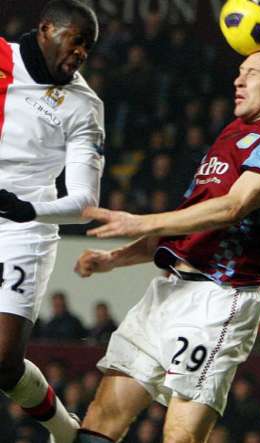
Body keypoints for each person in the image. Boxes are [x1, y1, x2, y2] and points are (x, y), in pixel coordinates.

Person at [75, 49, 260, 443]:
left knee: (180, 435)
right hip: (168, 290)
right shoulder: (230, 134)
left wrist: (141, 220)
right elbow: (190, 219)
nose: (237, 81)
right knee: (103, 414)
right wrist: (114, 260)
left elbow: (233, 207)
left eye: (250, 74)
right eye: (238, 73)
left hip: (219, 298)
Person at [0, 1, 104, 442]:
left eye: (88, 48)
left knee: (3, 360)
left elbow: (84, 201)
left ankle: (65, 432)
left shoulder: (84, 107)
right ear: (46, 29)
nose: (81, 53)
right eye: (76, 40)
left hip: (25, 226)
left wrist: (26, 209)